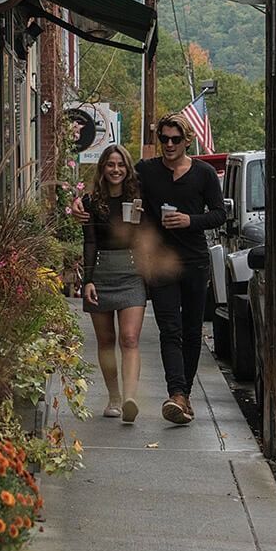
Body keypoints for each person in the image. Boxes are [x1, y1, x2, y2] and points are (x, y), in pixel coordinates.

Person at [73, 114, 225, 425]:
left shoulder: (205, 174)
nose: (169, 144)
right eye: (164, 139)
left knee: (192, 329)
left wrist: (190, 221)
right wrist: (80, 205)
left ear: (187, 141)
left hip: (194, 260)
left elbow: (220, 214)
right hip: (158, 263)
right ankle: (176, 394)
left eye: (175, 139)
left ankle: (185, 395)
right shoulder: (147, 171)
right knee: (170, 329)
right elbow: (115, 184)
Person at [81, 144, 147, 423]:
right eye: (110, 164)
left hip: (132, 273)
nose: (116, 169)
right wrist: (88, 280)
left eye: (121, 164)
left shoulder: (140, 198)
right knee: (106, 340)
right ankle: (114, 398)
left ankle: (130, 399)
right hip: (101, 274)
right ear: (103, 168)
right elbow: (90, 241)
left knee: (129, 338)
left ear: (127, 167)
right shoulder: (91, 202)